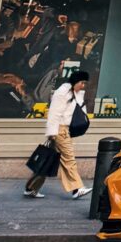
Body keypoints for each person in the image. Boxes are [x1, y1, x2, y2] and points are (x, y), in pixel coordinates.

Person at [24, 69, 90, 200]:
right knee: (69, 159)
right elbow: (54, 113)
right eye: (82, 83)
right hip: (60, 130)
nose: (83, 86)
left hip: (64, 130)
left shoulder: (74, 93)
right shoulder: (62, 92)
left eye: (84, 83)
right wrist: (52, 133)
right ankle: (77, 189)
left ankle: (31, 188)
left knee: (47, 160)